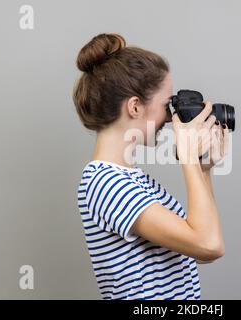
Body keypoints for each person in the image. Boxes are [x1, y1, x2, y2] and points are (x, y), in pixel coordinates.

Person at [73, 33, 230, 300]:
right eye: (166, 105)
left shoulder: (134, 181)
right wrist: (188, 156)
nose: (171, 118)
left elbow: (197, 248)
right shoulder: (105, 184)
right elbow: (209, 246)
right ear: (135, 107)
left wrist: (204, 168)